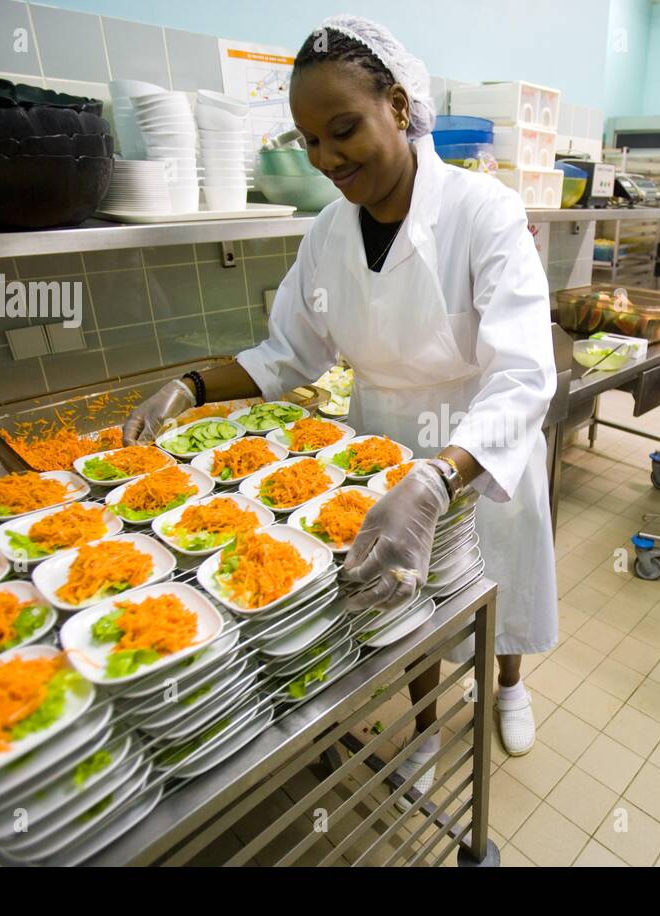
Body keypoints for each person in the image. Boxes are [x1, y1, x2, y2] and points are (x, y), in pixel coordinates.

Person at [122, 16, 557, 788]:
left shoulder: (480, 211)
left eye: (342, 130)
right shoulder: (327, 233)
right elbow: (287, 354)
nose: (326, 159)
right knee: (402, 596)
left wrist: (439, 477)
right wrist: (187, 387)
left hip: (481, 439)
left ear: (396, 105)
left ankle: (509, 685)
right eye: (310, 141)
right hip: (380, 439)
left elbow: (523, 372)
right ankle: (424, 725)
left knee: (498, 571)